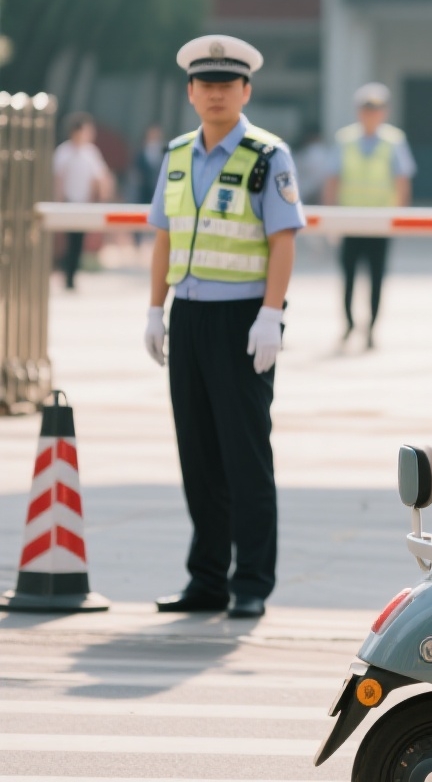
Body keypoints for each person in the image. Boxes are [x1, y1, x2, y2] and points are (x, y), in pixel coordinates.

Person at [143, 34, 306, 619]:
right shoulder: (179, 154)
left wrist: (271, 313)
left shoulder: (268, 156)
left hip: (243, 319)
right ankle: (206, 577)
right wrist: (154, 309)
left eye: (226, 84)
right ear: (190, 92)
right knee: (198, 453)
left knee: (244, 455)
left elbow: (281, 240)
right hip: (188, 316)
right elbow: (163, 235)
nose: (215, 94)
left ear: (246, 91)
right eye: (205, 84)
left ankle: (252, 580)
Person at [323, 83, 415, 348]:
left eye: (375, 108)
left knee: (376, 279)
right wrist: (331, 218)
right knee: (348, 278)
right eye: (366, 108)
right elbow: (332, 179)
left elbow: (402, 181)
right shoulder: (345, 139)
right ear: (358, 111)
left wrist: (399, 218)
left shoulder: (393, 140)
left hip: (379, 224)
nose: (370, 113)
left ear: (384, 112)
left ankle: (371, 328)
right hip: (350, 222)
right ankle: (349, 325)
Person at [52, 113, 114, 289]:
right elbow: (59, 179)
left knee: (78, 241)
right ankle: (67, 275)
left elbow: (100, 177)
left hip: (84, 203)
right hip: (68, 202)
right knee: (68, 241)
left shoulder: (90, 152)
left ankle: (71, 275)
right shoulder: (63, 152)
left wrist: (102, 199)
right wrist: (59, 201)